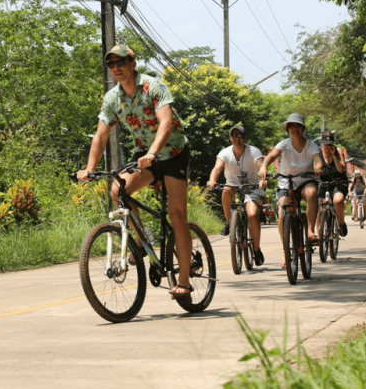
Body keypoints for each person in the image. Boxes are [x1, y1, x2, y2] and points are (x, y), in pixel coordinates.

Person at [77, 44, 193, 303]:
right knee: (118, 189)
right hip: (145, 157)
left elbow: (167, 122)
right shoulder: (112, 99)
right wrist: (90, 168)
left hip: (173, 153)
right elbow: (101, 135)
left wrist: (153, 151)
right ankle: (141, 241)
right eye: (111, 64)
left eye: (121, 62)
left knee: (176, 215)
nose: (116, 67)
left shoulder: (153, 87)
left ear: (132, 64)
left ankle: (184, 281)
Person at [258, 113, 323, 269]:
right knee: (281, 215)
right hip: (285, 183)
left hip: (305, 181)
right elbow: (271, 156)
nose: (295, 129)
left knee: (312, 192)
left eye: (298, 126)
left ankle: (310, 230)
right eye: (291, 126)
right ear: (288, 129)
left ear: (303, 128)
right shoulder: (284, 144)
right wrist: (264, 167)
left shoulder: (311, 145)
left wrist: (318, 168)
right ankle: (285, 249)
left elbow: (318, 160)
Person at [207, 125, 267, 266]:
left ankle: (256, 250)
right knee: (226, 190)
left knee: (252, 214)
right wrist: (212, 180)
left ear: (244, 138)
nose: (236, 138)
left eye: (240, 135)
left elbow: (260, 165)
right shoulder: (225, 152)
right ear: (230, 137)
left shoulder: (253, 151)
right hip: (233, 185)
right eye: (234, 135)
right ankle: (229, 223)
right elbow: (217, 168)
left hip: (252, 185)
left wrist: (263, 177)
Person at [317, 131, 348, 236]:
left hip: (339, 182)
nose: (328, 146)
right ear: (321, 142)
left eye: (330, 143)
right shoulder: (318, 153)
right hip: (324, 182)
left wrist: (334, 155)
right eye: (326, 144)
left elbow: (341, 169)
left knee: (337, 200)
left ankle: (341, 223)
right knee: (317, 203)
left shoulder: (338, 151)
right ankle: (317, 231)